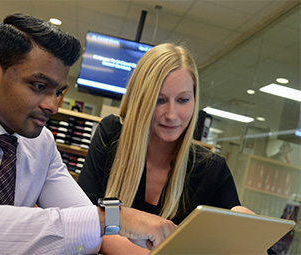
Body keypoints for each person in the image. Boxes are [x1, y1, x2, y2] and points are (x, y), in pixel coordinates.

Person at [0, 14, 175, 254]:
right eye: (39, 86)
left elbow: (88, 224)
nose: (53, 105)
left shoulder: (41, 143)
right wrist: (115, 217)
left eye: (59, 92)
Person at [78, 43, 254, 254]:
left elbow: (237, 232)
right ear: (140, 99)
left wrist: (248, 234)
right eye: (159, 100)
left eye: (183, 100)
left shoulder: (211, 169)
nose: (171, 115)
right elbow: (85, 220)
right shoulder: (111, 135)